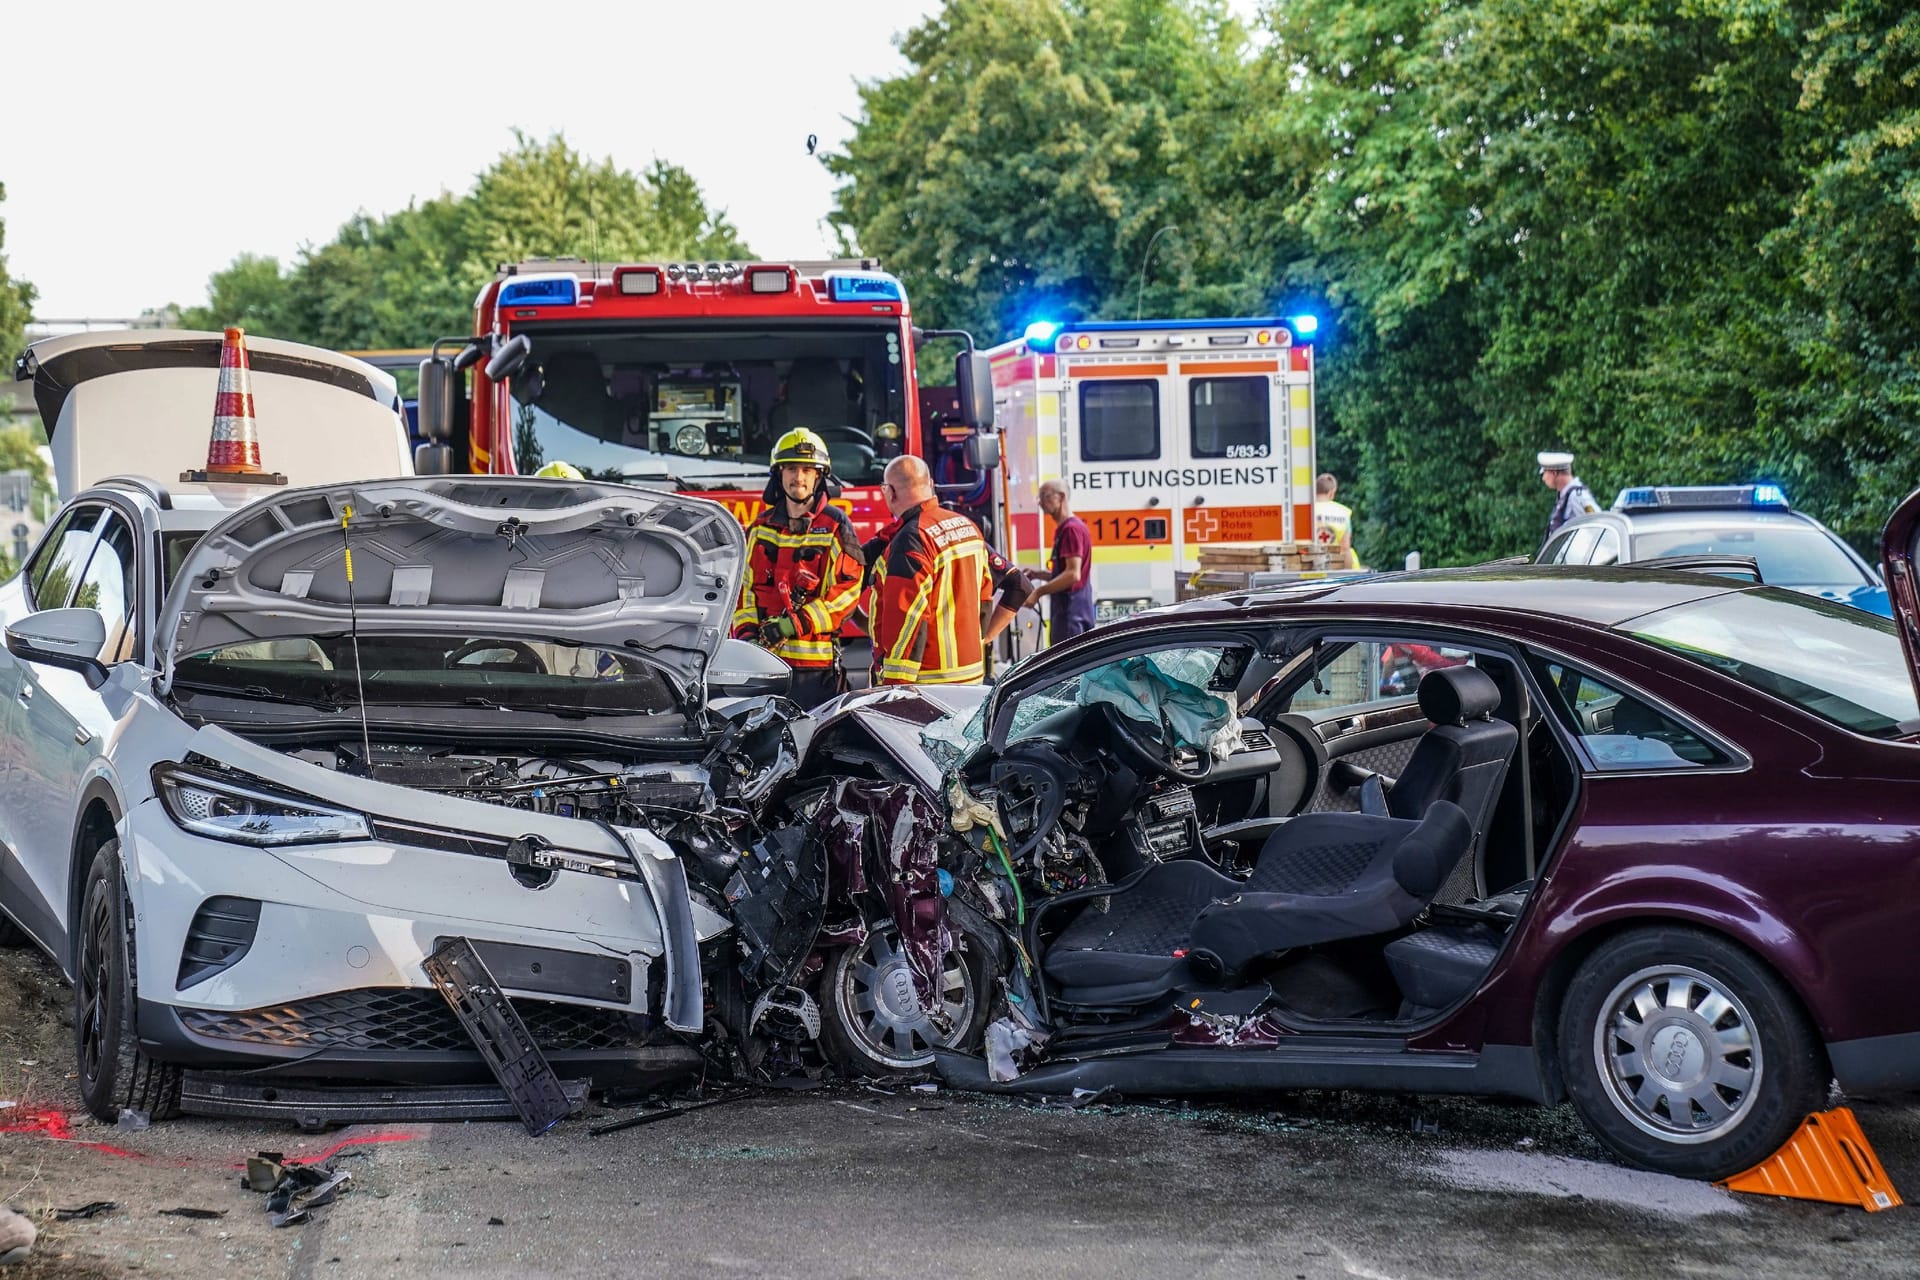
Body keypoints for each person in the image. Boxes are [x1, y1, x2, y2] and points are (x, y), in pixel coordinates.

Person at [731, 429, 865, 709]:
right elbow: (743, 591)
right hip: (763, 666)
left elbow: (846, 593)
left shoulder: (835, 526)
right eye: (791, 468)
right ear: (779, 474)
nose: (799, 477)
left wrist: (794, 623)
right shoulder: (761, 527)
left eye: (807, 470)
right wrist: (747, 637)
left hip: (814, 670)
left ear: (819, 476)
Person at [870, 455, 998, 685]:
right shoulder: (967, 525)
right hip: (972, 678)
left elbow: (907, 620)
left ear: (890, 491)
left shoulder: (912, 538)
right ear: (929, 484)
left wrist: (895, 689)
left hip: (931, 684)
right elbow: (985, 599)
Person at [1023, 480, 1095, 645]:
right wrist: (1039, 575)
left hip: (1070, 615)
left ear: (1061, 497)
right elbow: (1065, 572)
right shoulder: (1068, 528)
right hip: (1071, 613)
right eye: (1039, 497)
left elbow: (1073, 575)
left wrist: (1038, 592)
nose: (1040, 502)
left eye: (1045, 496)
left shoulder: (1071, 530)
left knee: (1068, 667)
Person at [1539, 451, 1599, 541]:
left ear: (1554, 473)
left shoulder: (1577, 496)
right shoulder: (1564, 496)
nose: (1543, 478)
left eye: (1544, 473)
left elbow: (1597, 525)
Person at [1313, 473, 1362, 570]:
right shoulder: (1342, 512)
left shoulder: (1303, 511)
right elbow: (1345, 547)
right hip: (1335, 566)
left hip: (1309, 564)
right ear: (1331, 492)